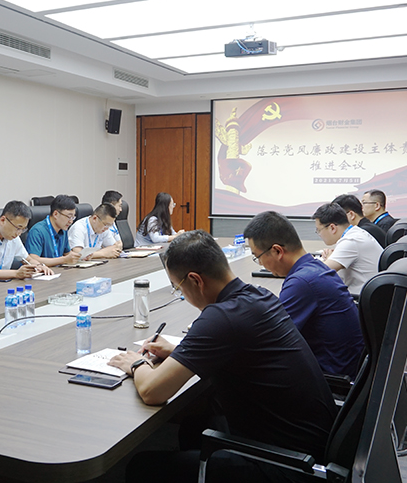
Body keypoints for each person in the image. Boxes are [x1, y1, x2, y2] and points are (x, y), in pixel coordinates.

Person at [109, 230, 336, 482]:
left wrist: (136, 363)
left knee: (141, 467)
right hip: (310, 445)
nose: (181, 295)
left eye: (178, 288)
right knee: (193, 428)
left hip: (286, 465)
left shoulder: (221, 317)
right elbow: (239, 351)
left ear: (195, 280)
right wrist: (178, 352)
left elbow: (152, 391)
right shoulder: (257, 295)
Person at [244, 211, 364, 377]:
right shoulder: (314, 268)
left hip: (332, 378)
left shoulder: (302, 282)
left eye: (258, 257)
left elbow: (271, 342)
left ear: (277, 251)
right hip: (349, 367)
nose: (260, 263)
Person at [313, 203, 383, 295]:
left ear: (332, 228)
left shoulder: (351, 241)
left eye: (319, 230)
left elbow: (321, 272)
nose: (319, 234)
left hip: (361, 298)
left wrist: (328, 259)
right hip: (370, 293)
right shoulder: (356, 233)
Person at [25, 195, 81, 267]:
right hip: (42, 272)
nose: (71, 221)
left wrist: (80, 256)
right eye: (69, 217)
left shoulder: (63, 229)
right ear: (55, 214)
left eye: (73, 217)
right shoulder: (37, 231)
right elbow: (33, 259)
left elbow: (67, 254)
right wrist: (63, 260)